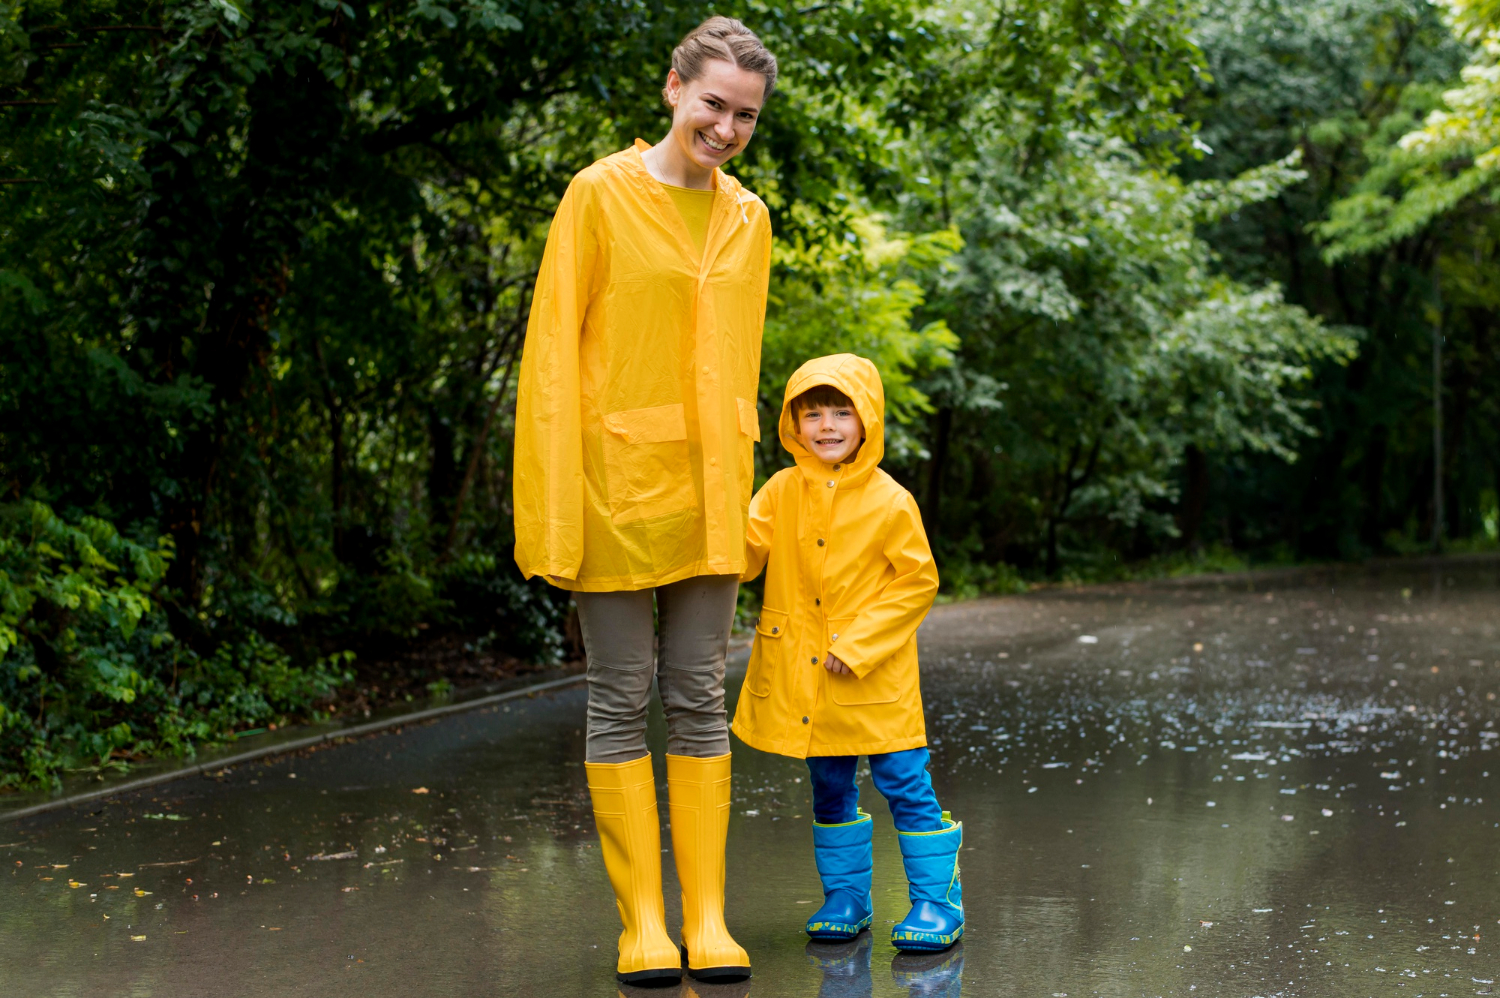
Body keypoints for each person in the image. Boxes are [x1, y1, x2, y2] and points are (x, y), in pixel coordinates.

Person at [511, 16, 776, 987]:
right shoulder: (598, 193)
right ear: (672, 88)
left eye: (745, 116)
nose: (726, 128)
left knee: (700, 695)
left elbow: (740, 359)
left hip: (712, 492)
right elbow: (551, 356)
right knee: (619, 698)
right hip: (614, 488)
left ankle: (706, 917)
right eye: (713, 104)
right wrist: (552, 503)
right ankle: (644, 925)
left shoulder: (751, 218)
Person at [733, 353, 964, 953]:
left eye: (842, 412)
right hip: (809, 682)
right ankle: (846, 898)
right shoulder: (780, 490)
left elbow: (917, 582)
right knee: (830, 785)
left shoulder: (891, 500)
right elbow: (745, 556)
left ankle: (937, 903)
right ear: (793, 424)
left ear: (867, 421)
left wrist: (858, 645)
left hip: (875, 677)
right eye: (813, 414)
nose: (827, 426)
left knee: (904, 782)